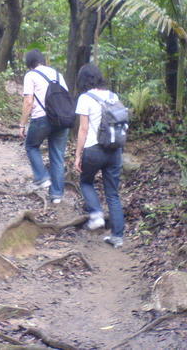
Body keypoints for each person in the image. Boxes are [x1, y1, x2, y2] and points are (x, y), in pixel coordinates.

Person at [74, 63, 125, 248]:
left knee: (85, 182)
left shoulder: (85, 98)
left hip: (94, 149)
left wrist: (78, 156)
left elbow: (83, 129)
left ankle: (96, 214)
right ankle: (117, 237)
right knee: (113, 194)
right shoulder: (113, 96)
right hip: (114, 150)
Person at [19, 49, 69, 204]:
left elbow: (28, 102)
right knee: (57, 156)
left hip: (42, 118)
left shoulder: (31, 75)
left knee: (31, 146)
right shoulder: (57, 75)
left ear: (29, 63)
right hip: (62, 120)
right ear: (42, 60)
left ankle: (42, 177)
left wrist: (22, 124)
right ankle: (56, 195)